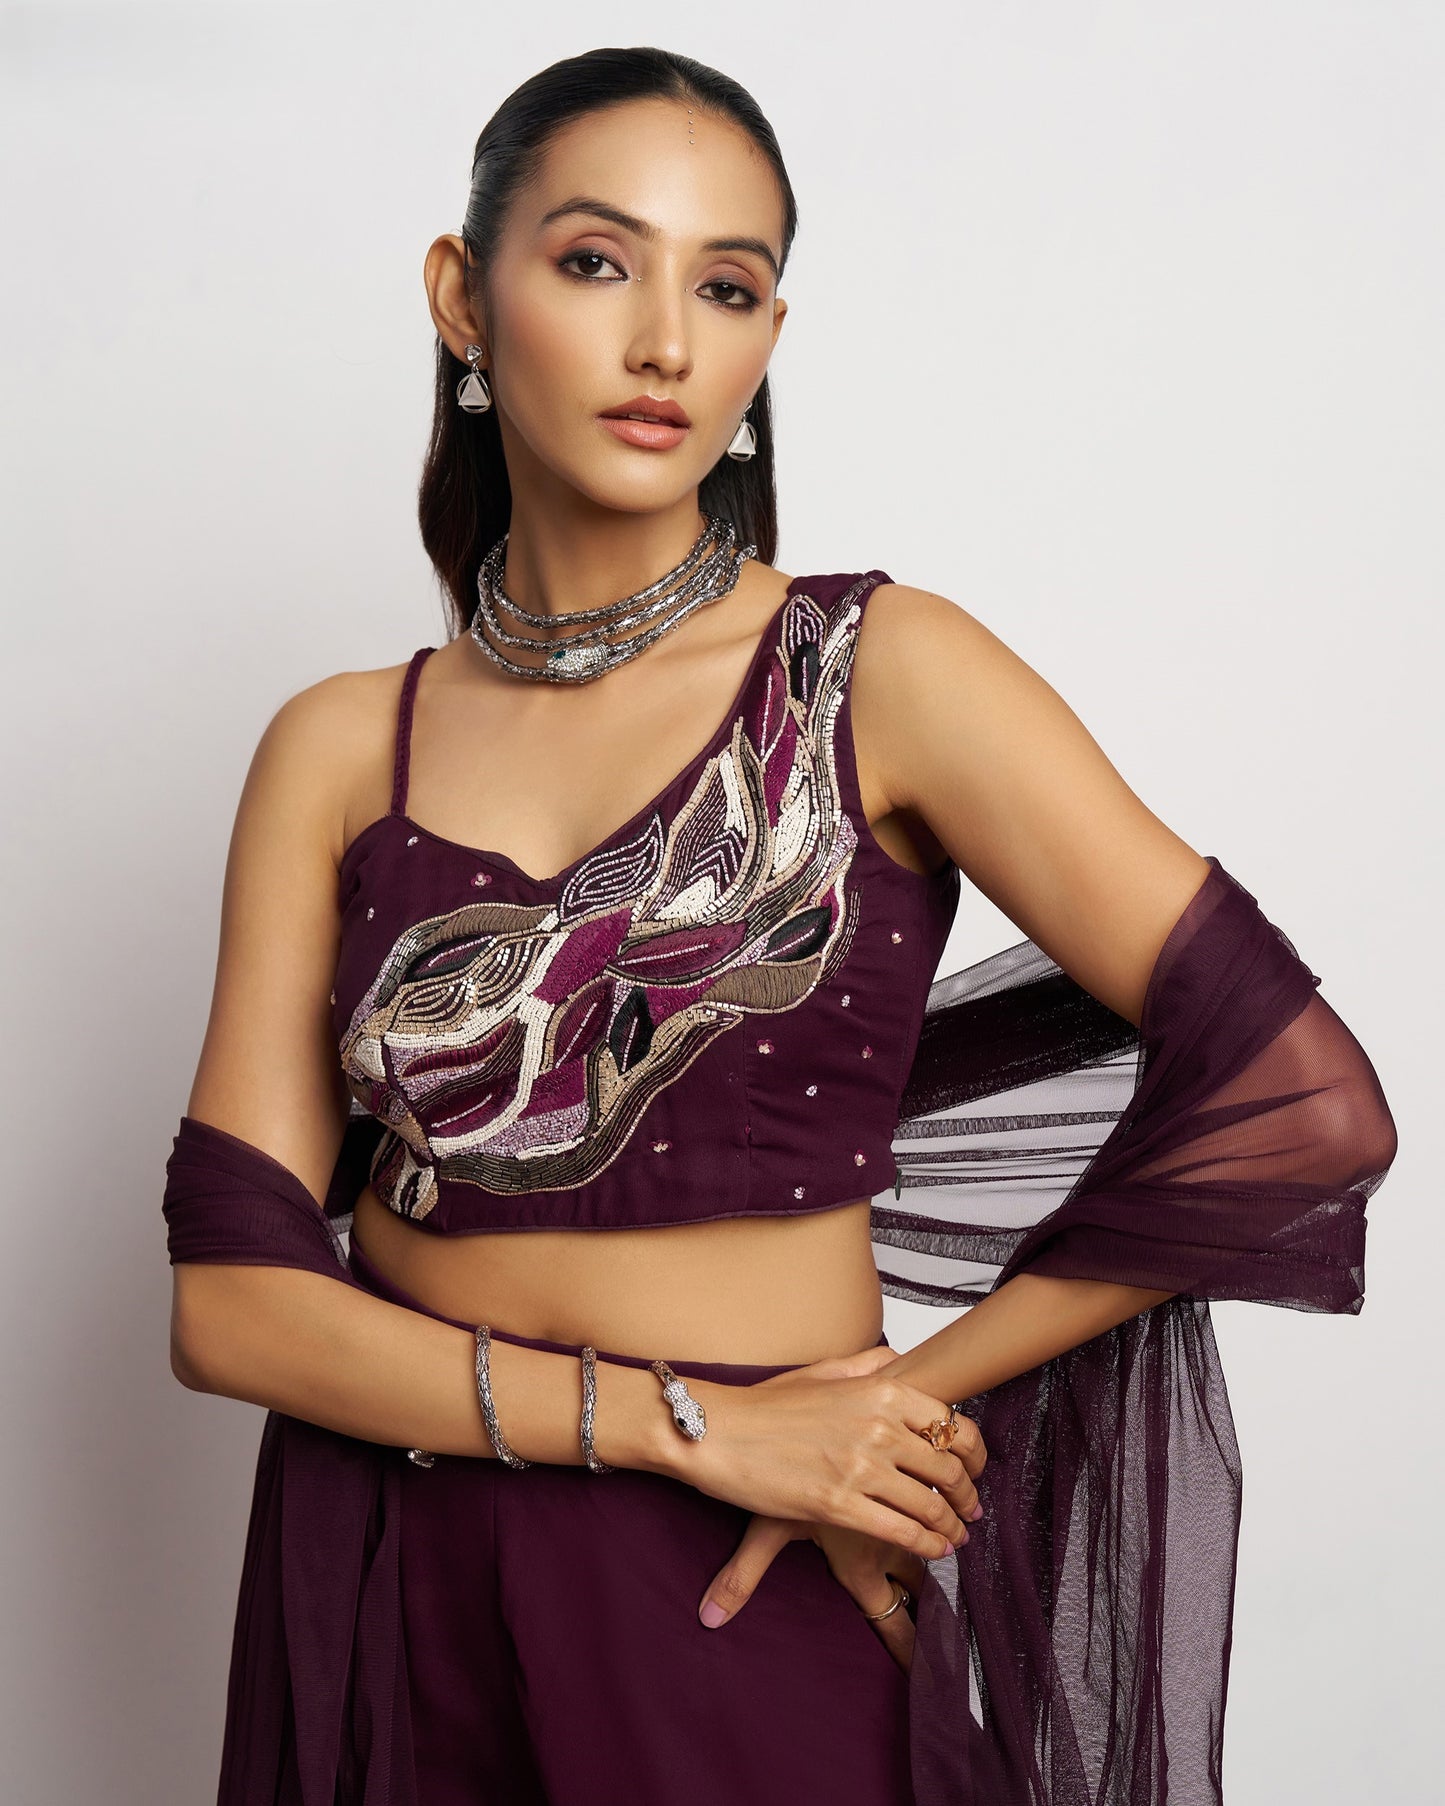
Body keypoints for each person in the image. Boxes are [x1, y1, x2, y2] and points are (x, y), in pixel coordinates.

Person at [161, 45, 1397, 1806]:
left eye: (725, 285)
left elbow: (1303, 1102)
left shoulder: (877, 671)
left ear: (765, 341)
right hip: (395, 1554)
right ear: (460, 293)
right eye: (598, 261)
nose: (665, 337)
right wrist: (690, 1422)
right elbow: (232, 1300)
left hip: (749, 1566)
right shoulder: (340, 746)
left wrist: (866, 1425)